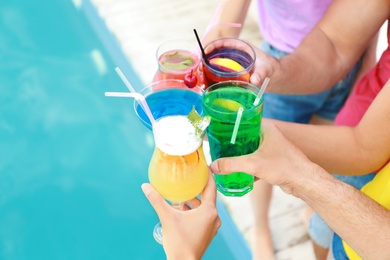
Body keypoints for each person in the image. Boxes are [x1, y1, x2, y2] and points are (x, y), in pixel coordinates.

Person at [204, 1, 378, 258]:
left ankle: (310, 204)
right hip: (279, 67)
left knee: (322, 146)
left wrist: (368, 61)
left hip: (348, 64)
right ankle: (261, 226)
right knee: (257, 151)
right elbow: (224, 28)